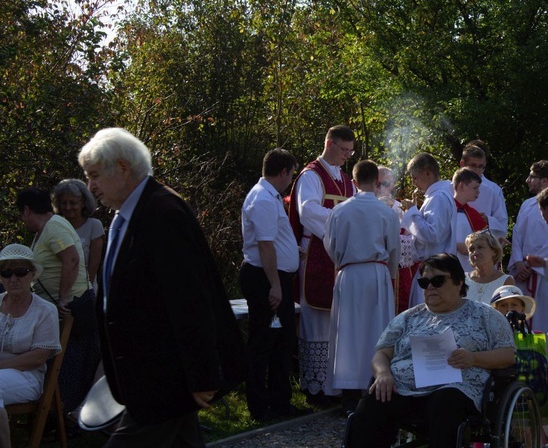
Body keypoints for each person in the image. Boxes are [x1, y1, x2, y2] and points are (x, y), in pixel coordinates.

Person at [78, 127, 244, 446]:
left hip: (165, 380)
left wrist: (203, 375)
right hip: (153, 379)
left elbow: (190, 299)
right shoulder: (130, 216)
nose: (91, 186)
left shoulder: (162, 212)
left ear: (123, 168)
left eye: (95, 175)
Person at [348, 253, 515, 448]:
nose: (430, 287)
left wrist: (473, 358)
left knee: (445, 403)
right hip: (403, 388)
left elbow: (508, 355)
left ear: (459, 282)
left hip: (454, 389)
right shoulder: (408, 317)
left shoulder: (486, 315)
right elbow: (382, 353)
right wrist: (383, 374)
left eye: (438, 280)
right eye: (424, 282)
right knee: (373, 402)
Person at [324, 160, 400, 415]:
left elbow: (331, 246)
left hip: (350, 273)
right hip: (377, 273)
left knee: (349, 333)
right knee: (376, 331)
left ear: (353, 181)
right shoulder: (386, 212)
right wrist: (388, 274)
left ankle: (349, 396)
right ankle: (374, 388)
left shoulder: (340, 210)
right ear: (376, 182)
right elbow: (393, 249)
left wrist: (343, 262)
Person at [288, 125, 356, 402]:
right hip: (316, 251)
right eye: (343, 150)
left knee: (338, 323)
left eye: (350, 152)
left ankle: (337, 386)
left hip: (340, 255)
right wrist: (344, 223)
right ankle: (315, 388)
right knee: (317, 321)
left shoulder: (344, 178)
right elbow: (308, 212)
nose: (346, 156)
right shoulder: (311, 175)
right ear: (329, 143)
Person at [16, 187, 98, 414]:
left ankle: (66, 418)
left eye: (22, 215)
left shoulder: (54, 226)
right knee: (58, 364)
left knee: (69, 366)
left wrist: (63, 298)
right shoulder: (44, 230)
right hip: (61, 306)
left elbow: (71, 259)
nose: (22, 220)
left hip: (73, 306)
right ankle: (55, 416)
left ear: (27, 210)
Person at [239, 148, 301, 421]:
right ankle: (259, 405)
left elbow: (274, 240)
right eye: (291, 174)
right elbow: (264, 246)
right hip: (266, 278)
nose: (291, 180)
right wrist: (275, 285)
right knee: (263, 343)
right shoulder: (263, 199)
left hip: (275, 277)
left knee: (282, 341)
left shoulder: (269, 196)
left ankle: (279, 401)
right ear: (283, 171)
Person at [0, 244, 61, 448]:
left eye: (21, 271)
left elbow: (38, 357)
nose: (13, 278)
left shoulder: (45, 310)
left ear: (32, 274)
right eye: (7, 273)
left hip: (28, 376)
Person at [507, 160, 548, 333]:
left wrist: (533, 265)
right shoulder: (527, 205)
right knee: (520, 319)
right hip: (522, 274)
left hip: (545, 276)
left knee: (546, 321)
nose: (527, 180)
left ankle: (546, 359)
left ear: (545, 181)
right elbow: (517, 235)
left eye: (532, 176)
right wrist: (518, 262)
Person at [401, 152, 456, 307]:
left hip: (434, 272)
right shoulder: (438, 196)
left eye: (415, 177)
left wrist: (412, 211)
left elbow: (431, 235)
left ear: (427, 172)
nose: (413, 183)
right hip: (433, 268)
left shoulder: (438, 198)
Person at [377, 165, 417, 313]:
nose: (382, 188)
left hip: (400, 273)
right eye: (378, 184)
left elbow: (413, 240)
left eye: (386, 184)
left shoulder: (402, 209)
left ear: (393, 185)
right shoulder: (365, 208)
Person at [52, 178, 104, 292]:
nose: (68, 207)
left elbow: (94, 264)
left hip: (85, 290)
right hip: (57, 289)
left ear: (83, 203)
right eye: (64, 203)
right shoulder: (54, 226)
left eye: (73, 203)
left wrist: (85, 291)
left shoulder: (94, 226)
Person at [459, 141, 508, 240]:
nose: (477, 170)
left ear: (485, 163)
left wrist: (488, 220)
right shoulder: (449, 188)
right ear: (463, 164)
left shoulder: (493, 190)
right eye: (473, 165)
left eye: (481, 166)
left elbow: (502, 224)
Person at [464, 229, 514, 305]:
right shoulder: (462, 279)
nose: (475, 253)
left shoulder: (506, 281)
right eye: (471, 249)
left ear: (494, 251)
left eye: (480, 247)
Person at [453, 168, 488, 272]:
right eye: (475, 188)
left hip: (469, 267)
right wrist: (455, 244)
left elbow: (484, 240)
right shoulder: (445, 210)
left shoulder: (472, 213)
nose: (478, 192)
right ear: (462, 186)